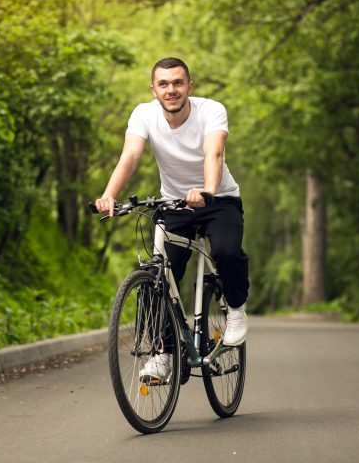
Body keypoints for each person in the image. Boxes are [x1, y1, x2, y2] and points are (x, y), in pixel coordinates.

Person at [95, 57, 250, 382]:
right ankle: (163, 353)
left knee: (225, 252)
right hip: (174, 204)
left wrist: (207, 191)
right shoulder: (144, 114)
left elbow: (214, 153)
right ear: (153, 89)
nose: (171, 90)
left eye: (178, 83)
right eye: (163, 84)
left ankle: (235, 309)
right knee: (157, 277)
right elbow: (131, 156)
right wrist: (109, 195)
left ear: (189, 87)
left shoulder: (210, 110)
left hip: (218, 199)